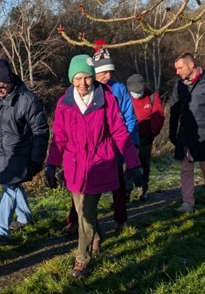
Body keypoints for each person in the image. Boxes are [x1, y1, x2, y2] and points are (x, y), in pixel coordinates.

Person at [45, 54, 142, 278]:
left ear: (93, 78)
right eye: (78, 78)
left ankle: (82, 259)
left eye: (87, 78)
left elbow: (120, 132)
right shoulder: (64, 103)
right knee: (80, 211)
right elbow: (59, 137)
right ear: (71, 79)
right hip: (74, 165)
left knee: (86, 213)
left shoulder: (106, 99)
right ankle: (97, 237)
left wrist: (133, 163)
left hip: (100, 163)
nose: (83, 83)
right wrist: (51, 165)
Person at [61, 41, 140, 235]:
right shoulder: (82, 90)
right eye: (103, 72)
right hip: (89, 151)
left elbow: (128, 119)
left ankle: (120, 219)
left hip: (114, 149)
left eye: (110, 72)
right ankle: (75, 221)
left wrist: (125, 148)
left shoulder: (119, 89)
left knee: (118, 185)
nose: (108, 76)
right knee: (80, 186)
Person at [0, 59, 49, 246]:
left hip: (21, 152)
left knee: (10, 188)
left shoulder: (28, 100)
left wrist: (37, 159)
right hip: (0, 151)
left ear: (11, 81)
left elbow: (41, 130)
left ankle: (1, 232)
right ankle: (26, 216)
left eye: (2, 86)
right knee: (10, 185)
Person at [169, 53, 205, 213]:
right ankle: (188, 203)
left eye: (180, 68)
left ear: (191, 65)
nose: (177, 72)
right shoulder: (178, 85)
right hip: (185, 133)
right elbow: (174, 109)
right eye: (176, 69)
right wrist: (171, 132)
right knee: (186, 169)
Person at [126, 73, 165, 200]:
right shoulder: (125, 97)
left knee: (144, 163)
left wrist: (153, 133)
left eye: (139, 91)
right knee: (127, 165)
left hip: (145, 137)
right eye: (134, 91)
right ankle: (126, 192)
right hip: (128, 137)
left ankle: (143, 189)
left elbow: (158, 116)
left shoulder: (152, 96)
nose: (137, 94)